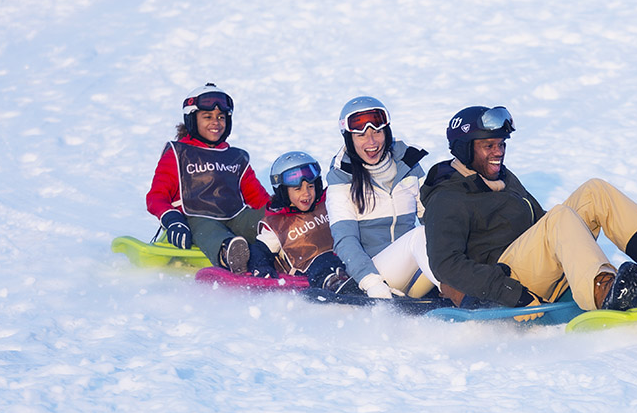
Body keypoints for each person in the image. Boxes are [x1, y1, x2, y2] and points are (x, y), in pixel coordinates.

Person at [420, 105, 637, 312]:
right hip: (507, 284)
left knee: (595, 192)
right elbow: (446, 264)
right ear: (465, 149)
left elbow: (538, 225)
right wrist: (511, 294)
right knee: (559, 217)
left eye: (502, 144)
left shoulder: (502, 179)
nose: (499, 152)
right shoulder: (448, 197)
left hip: (534, 268)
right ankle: (602, 292)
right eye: (489, 146)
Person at [146, 83, 270, 272]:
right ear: (191, 120)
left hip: (236, 216)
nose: (216, 122)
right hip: (196, 217)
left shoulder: (236, 157)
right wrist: (172, 219)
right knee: (208, 229)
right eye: (207, 117)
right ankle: (230, 253)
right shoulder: (178, 153)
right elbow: (156, 196)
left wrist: (281, 215)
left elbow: (258, 198)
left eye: (221, 117)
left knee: (270, 221)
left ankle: (296, 247)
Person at [325, 96, 440, 299]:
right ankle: (460, 292)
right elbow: (345, 239)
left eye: (377, 131)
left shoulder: (408, 164)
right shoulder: (341, 178)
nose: (371, 141)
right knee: (420, 235)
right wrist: (372, 282)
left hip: (413, 272)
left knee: (438, 231)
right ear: (349, 139)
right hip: (375, 275)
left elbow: (433, 217)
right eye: (361, 135)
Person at [247, 151, 354, 292]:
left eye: (310, 186)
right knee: (323, 263)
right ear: (283, 192)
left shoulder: (327, 204)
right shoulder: (277, 225)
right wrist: (262, 270)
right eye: (298, 189)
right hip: (312, 270)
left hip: (346, 257)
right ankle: (335, 283)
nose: (306, 193)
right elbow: (260, 251)